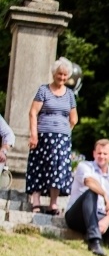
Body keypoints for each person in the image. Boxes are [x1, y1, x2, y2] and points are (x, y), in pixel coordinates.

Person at [27, 57, 78, 215]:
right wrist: (34, 134)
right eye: (59, 74)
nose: (62, 77)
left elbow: (74, 118)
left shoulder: (69, 94)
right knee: (39, 167)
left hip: (61, 138)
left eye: (64, 75)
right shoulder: (44, 90)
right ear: (54, 74)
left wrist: (65, 130)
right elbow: (33, 112)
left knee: (58, 169)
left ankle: (53, 204)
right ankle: (35, 202)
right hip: (43, 135)